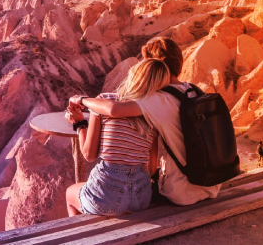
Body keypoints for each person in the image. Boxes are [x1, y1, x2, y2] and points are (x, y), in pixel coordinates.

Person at [67, 37, 220, 207]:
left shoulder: (157, 100)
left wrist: (82, 103)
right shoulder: (193, 91)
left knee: (76, 194)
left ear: (151, 68)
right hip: (210, 184)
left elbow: (114, 110)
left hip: (182, 191)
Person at [65, 59, 162, 216]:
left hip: (106, 196)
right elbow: (151, 169)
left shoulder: (103, 101)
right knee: (123, 205)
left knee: (70, 193)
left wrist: (80, 124)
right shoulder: (154, 112)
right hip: (141, 198)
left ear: (134, 76)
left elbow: (89, 155)